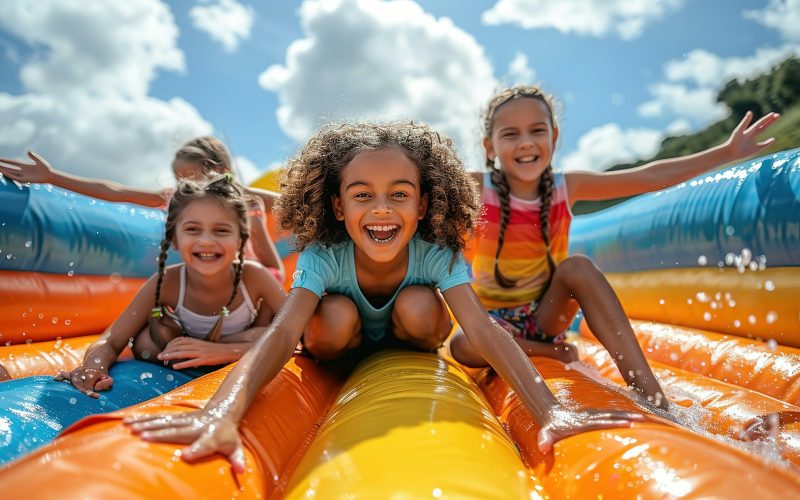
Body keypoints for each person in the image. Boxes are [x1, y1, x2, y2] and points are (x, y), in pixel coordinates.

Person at [123, 122, 645, 471]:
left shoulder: (434, 252)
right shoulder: (324, 255)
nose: (380, 209)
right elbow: (283, 335)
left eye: (399, 194)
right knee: (333, 312)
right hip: (338, 347)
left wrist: (549, 410)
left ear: (424, 204)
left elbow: (482, 329)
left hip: (412, 338)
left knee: (419, 303)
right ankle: (343, 357)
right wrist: (221, 413)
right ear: (337, 205)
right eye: (362, 195)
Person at [449, 85, 780, 409]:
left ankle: (652, 395)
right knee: (462, 345)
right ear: (489, 147)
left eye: (537, 130)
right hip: (494, 322)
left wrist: (726, 153)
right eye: (510, 134)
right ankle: (551, 352)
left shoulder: (567, 186)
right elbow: (432, 188)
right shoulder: (476, 187)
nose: (525, 143)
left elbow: (648, 178)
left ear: (554, 136)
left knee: (578, 266)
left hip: (547, 314)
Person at [54, 175, 286, 398]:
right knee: (147, 344)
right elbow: (112, 339)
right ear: (175, 239)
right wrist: (94, 367)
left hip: (240, 340)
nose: (206, 241)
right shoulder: (166, 282)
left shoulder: (255, 277)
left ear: (241, 240)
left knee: (265, 332)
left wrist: (224, 351)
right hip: (181, 347)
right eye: (193, 229)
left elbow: (296, 336)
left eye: (221, 230)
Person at [0, 137, 285, 280]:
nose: (184, 186)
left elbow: (290, 205)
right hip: (208, 282)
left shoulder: (243, 199)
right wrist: (53, 177)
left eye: (190, 178)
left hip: (246, 282)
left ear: (218, 171)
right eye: (179, 179)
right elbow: (117, 192)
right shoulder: (178, 198)